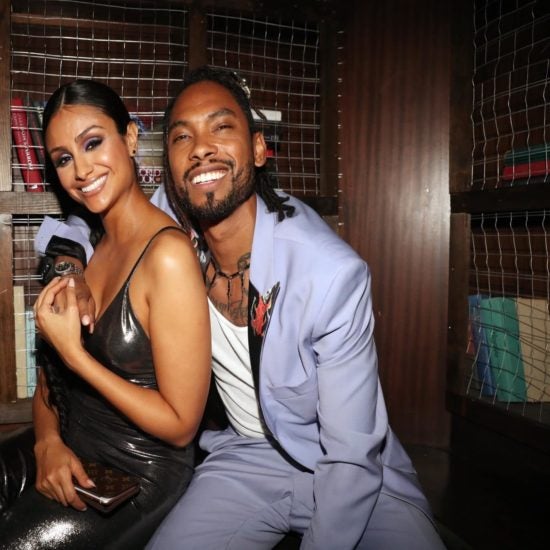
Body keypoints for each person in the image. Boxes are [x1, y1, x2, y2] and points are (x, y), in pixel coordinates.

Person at [35, 66, 445, 549]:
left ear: (258, 148)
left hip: (346, 471)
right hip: (244, 458)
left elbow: (352, 454)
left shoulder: (329, 272)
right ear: (168, 165)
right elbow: (90, 213)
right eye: (182, 137)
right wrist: (70, 269)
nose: (201, 149)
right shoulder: (176, 211)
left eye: (221, 127)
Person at [0, 80, 211, 549]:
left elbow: (181, 426)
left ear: (130, 138)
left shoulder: (168, 256)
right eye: (63, 159)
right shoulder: (88, 249)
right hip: (69, 445)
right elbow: (51, 376)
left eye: (92, 143)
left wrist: (76, 357)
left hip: (137, 473)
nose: (81, 170)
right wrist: (47, 442)